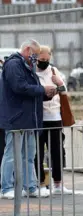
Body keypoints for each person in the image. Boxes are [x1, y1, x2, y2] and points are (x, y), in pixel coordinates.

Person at [0, 39, 56, 199]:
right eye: (35, 55)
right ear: (27, 50)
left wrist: (45, 93)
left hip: (29, 118)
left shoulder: (26, 66)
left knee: (29, 155)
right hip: (16, 118)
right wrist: (42, 89)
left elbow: (30, 91)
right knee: (11, 154)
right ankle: (6, 187)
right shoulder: (13, 65)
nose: (36, 58)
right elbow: (19, 87)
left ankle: (30, 186)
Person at [34, 46, 72, 196]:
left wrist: (59, 84)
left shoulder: (54, 71)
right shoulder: (31, 72)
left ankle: (58, 183)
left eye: (47, 60)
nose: (44, 63)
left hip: (55, 116)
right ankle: (41, 183)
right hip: (39, 117)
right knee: (38, 152)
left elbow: (64, 91)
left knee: (57, 151)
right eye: (41, 60)